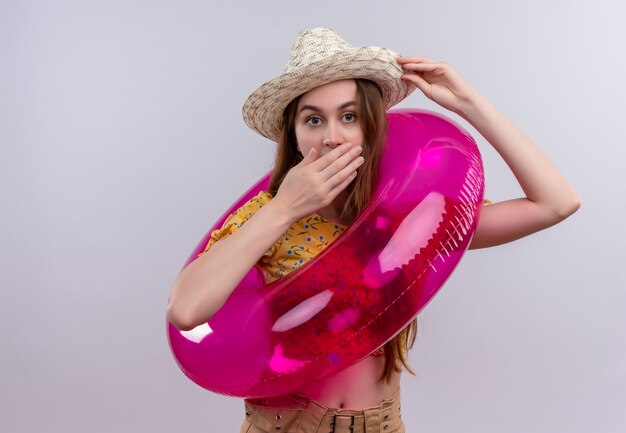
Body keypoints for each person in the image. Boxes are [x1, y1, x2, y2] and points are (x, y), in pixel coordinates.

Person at [167, 28, 580, 433]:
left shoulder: (405, 212)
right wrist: (285, 208)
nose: (332, 137)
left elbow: (555, 204)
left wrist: (469, 103)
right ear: (293, 135)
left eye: (349, 116)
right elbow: (186, 311)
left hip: (382, 423)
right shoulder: (266, 214)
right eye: (313, 120)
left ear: (372, 125)